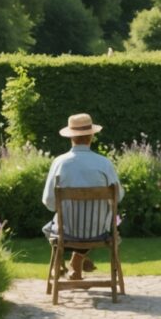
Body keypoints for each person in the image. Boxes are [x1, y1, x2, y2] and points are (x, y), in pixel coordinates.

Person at [42, 113, 124, 280]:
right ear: (92, 136)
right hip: (98, 231)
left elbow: (49, 202)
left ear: (70, 137)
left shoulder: (60, 163)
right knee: (93, 224)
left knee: (50, 228)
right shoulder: (104, 163)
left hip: (67, 232)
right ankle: (77, 262)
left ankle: (65, 263)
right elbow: (118, 196)